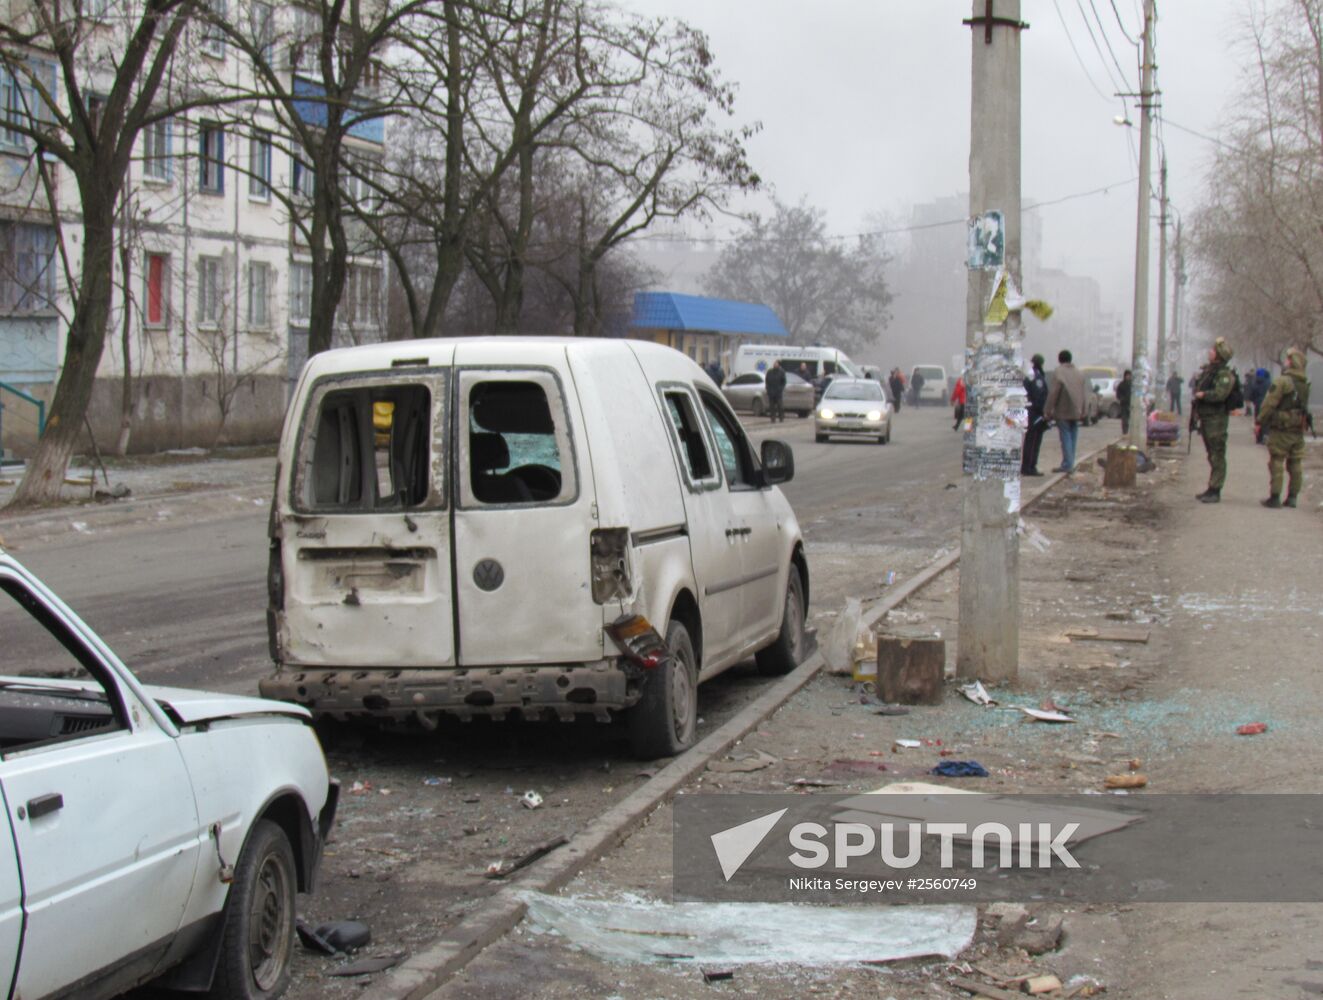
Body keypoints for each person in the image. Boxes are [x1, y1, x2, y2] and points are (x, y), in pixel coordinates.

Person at [1255, 347, 1311, 508]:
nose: (1285, 361)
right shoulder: (1304, 383)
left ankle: (1275, 497)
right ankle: (1292, 497)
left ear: (1292, 362)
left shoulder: (1283, 381)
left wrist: (1260, 421)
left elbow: (1269, 403)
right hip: (1298, 428)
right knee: (1295, 462)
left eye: (1288, 359)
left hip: (1281, 428)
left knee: (1277, 460)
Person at [1192, 336, 1237, 503]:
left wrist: (1204, 395)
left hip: (1216, 420)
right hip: (1207, 418)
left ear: (1219, 355)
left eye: (1213, 350)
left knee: (1217, 454)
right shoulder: (1210, 371)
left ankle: (1215, 490)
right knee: (1211, 454)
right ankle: (1211, 487)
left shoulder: (1224, 374)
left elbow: (1220, 394)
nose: (1210, 352)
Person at [1044, 349, 1087, 473]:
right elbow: (1083, 394)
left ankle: (1067, 464)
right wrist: (1083, 410)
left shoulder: (1059, 372)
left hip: (1063, 411)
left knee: (1066, 438)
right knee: (1073, 438)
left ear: (1059, 359)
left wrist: (1047, 410)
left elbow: (1053, 393)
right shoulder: (1079, 373)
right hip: (1077, 411)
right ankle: (1070, 462)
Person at [1021, 353, 1049, 476]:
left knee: (1030, 440)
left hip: (1029, 412)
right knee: (1033, 441)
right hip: (1035, 414)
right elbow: (1039, 397)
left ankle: (1028, 466)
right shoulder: (1037, 377)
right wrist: (1043, 412)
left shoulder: (1028, 375)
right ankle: (1029, 467)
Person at [1116, 369, 1133, 436]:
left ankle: (1131, 432)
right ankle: (1125, 432)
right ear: (1125, 376)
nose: (1128, 377)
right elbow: (1118, 394)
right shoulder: (1122, 384)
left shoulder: (1133, 384)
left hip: (1132, 404)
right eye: (1127, 375)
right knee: (1125, 419)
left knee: (1132, 419)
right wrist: (1122, 399)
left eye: (1129, 375)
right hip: (1124, 405)